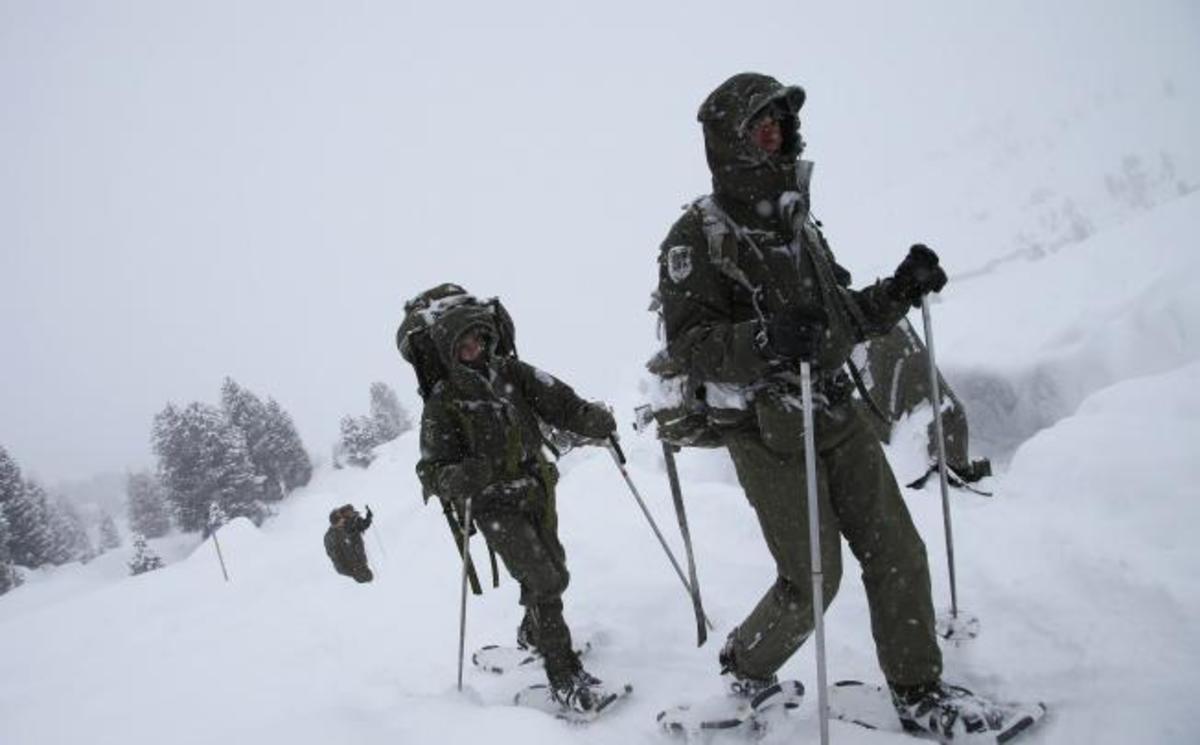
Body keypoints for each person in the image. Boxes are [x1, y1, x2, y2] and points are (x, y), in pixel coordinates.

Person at [653, 71, 1008, 741]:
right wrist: (763, 338)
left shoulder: (797, 218)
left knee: (899, 549)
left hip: (836, 410)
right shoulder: (694, 238)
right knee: (813, 578)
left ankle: (917, 689)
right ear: (730, 143)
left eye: (781, 124)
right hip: (766, 432)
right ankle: (748, 666)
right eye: (761, 126)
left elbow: (841, 321)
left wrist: (900, 289)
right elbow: (691, 346)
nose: (776, 135)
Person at [414, 294, 619, 715]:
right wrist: (457, 477)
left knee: (554, 568)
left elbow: (561, 402)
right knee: (544, 580)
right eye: (463, 345)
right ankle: (563, 675)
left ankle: (534, 633)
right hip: (493, 505)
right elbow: (430, 472)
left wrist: (591, 418)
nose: (474, 350)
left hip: (536, 488)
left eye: (479, 340)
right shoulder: (444, 401)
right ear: (451, 351)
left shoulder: (512, 372)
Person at [324, 503, 374, 583]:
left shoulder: (343, 526)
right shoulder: (333, 536)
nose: (344, 520)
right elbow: (337, 556)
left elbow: (359, 526)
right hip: (352, 565)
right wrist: (353, 568)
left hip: (357, 562)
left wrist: (368, 518)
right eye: (341, 519)